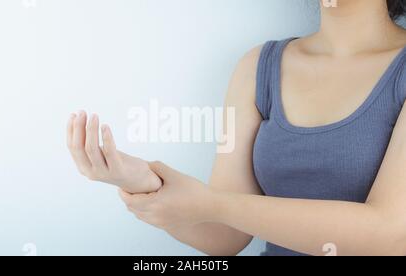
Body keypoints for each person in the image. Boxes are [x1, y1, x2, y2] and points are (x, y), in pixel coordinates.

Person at [67, 0, 406, 256]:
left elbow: (390, 234)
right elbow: (225, 237)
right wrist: (145, 183)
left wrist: (212, 203)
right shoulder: (256, 67)